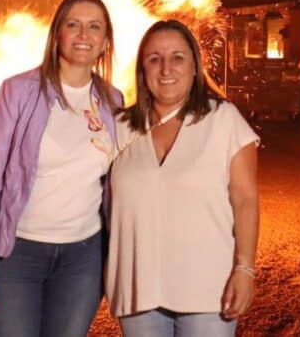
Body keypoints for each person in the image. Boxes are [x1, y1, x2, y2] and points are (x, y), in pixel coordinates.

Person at [0, 0, 121, 337]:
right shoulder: (18, 92)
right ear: (57, 34)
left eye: (94, 27)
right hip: (16, 255)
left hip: (82, 259)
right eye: (73, 24)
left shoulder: (112, 101)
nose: (84, 34)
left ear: (105, 41)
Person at [105, 19, 259, 337]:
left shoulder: (223, 119)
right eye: (154, 59)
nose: (166, 69)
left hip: (208, 290)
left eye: (177, 57)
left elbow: (245, 200)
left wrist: (245, 269)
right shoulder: (119, 127)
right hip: (138, 289)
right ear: (142, 69)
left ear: (194, 66)